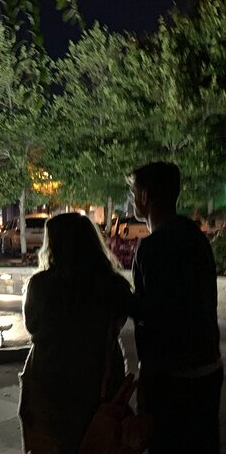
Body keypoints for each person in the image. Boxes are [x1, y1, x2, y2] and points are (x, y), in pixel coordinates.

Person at [128, 162, 223, 453]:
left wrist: (120, 297)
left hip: (171, 379)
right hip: (207, 369)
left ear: (145, 195)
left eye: (133, 193)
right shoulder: (195, 237)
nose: (132, 200)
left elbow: (156, 314)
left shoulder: (154, 247)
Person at [19, 213, 131, 453]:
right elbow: (120, 321)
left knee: (50, 444)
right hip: (99, 379)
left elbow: (32, 325)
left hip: (49, 382)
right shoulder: (113, 285)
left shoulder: (40, 285)